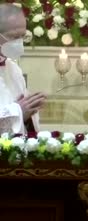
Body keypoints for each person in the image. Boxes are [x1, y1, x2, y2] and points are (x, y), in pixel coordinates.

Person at [0, 3, 46, 134]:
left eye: (22, 36)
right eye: (14, 37)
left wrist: (30, 109)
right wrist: (19, 111)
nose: (19, 42)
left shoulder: (14, 69)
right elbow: (19, 110)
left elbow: (25, 116)